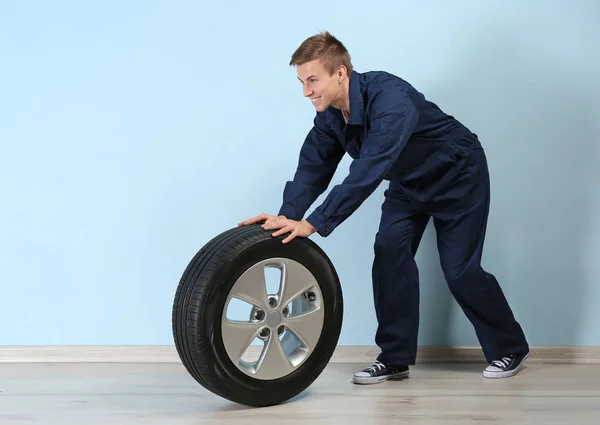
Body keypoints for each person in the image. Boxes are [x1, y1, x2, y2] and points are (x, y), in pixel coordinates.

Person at [238, 31, 530, 384]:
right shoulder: (331, 116)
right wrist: (288, 216)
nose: (306, 91)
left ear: (340, 73)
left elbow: (369, 169)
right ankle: (394, 358)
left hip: (458, 175)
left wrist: (315, 223)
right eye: (301, 82)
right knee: (389, 253)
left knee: (460, 272)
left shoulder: (391, 99)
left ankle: (509, 347)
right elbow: (313, 167)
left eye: (313, 80)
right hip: (408, 183)